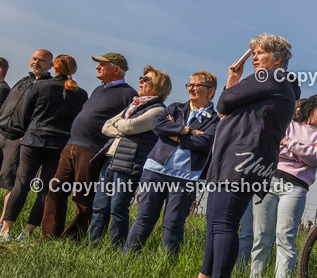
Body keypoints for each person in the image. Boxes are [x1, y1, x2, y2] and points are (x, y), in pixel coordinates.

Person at [178, 33, 299, 278]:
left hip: (241, 161)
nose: (255, 57)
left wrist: (232, 78)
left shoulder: (271, 78)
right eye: (253, 52)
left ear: (277, 59)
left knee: (223, 225)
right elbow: (226, 112)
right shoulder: (272, 85)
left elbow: (223, 103)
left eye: (261, 52)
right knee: (215, 224)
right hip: (236, 159)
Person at [41, 53, 137, 240]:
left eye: (103, 64)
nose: (97, 67)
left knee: (84, 199)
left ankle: (72, 240)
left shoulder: (129, 94)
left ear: (116, 69)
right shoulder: (97, 90)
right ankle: (49, 237)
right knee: (55, 190)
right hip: (71, 145)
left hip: (93, 150)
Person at [123, 71, 220, 257]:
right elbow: (158, 125)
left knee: (174, 223)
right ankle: (128, 259)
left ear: (211, 91)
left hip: (186, 177)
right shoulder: (175, 108)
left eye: (196, 85)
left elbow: (207, 142)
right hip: (156, 170)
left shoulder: (215, 120)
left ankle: (166, 266)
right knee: (144, 218)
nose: (191, 87)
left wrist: (174, 135)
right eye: (189, 84)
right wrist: (188, 131)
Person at [251, 94, 317, 278]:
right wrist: (304, 152)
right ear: (313, 104)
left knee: (285, 236)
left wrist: (287, 143)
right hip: (268, 180)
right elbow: (273, 147)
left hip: (295, 187)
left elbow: (316, 158)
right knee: (261, 235)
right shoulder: (287, 124)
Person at [0, 55, 87, 241]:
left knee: (21, 184)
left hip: (33, 140)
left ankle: (6, 228)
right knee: (45, 189)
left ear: (54, 68)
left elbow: (25, 112)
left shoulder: (40, 86)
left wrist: (22, 131)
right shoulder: (81, 93)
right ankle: (27, 232)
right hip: (59, 144)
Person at [88, 66, 171, 248]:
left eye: (146, 79)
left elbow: (129, 127)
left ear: (158, 86)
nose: (140, 81)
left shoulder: (158, 111)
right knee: (99, 206)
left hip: (130, 163)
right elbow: (105, 127)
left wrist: (121, 126)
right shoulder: (133, 105)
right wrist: (123, 126)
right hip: (111, 158)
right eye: (141, 78)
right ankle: (92, 245)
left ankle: (116, 248)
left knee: (118, 208)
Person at [0, 50, 53, 208]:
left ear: (50, 65)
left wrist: (27, 135)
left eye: (41, 60)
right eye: (34, 59)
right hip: (2, 132)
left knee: (11, 182)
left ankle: (3, 224)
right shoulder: (23, 81)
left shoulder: (47, 87)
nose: (36, 62)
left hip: (18, 138)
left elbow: (41, 114)